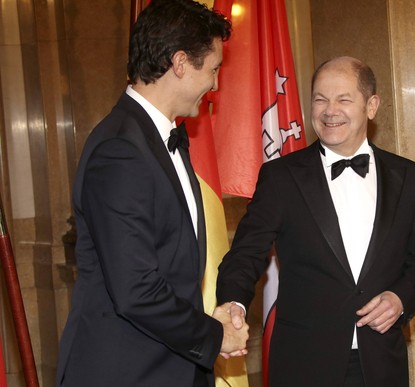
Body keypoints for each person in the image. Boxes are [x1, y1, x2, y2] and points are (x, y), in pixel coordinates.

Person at [216, 56, 415, 386]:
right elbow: (245, 254)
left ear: (372, 105)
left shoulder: (410, 177)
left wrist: (400, 298)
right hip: (303, 364)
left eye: (343, 99)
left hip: (380, 363)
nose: (329, 110)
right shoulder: (281, 177)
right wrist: (233, 303)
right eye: (320, 99)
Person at [55, 1, 248, 386]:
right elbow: (136, 290)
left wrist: (209, 323)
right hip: (128, 372)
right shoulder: (120, 150)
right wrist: (214, 335)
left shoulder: (161, 139)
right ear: (179, 63)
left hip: (171, 366)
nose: (215, 84)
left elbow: (171, 269)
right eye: (212, 69)